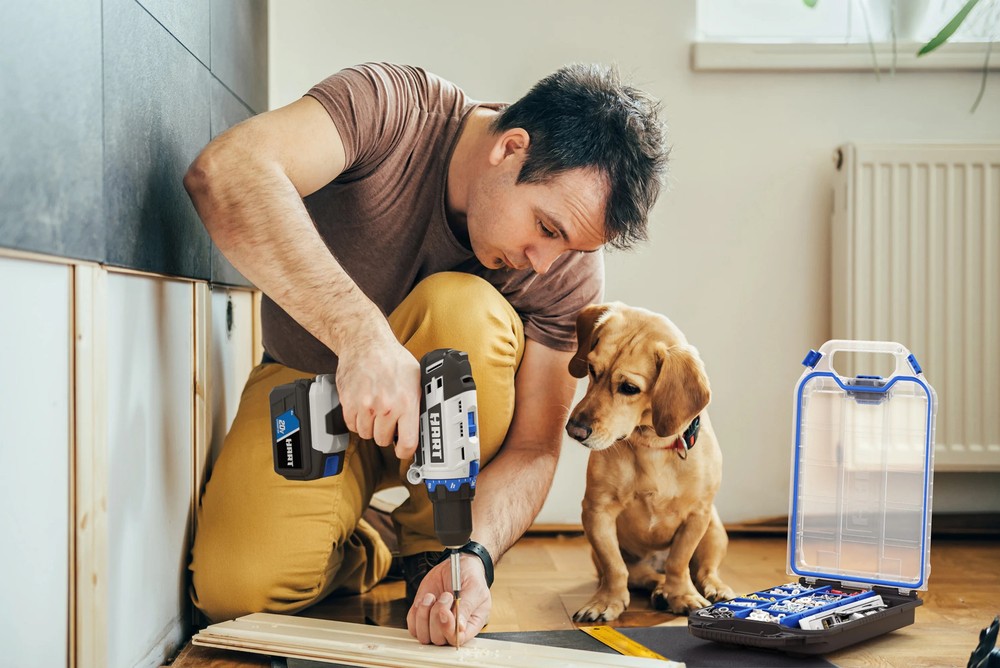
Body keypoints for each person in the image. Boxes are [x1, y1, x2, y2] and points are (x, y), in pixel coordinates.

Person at [183, 61, 667, 647]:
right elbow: (226, 171)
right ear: (511, 148)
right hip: (311, 382)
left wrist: (477, 553)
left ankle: (433, 544)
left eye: (568, 246)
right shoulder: (391, 109)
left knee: (463, 308)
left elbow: (536, 446)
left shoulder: (566, 268)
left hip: (448, 470)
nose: (544, 261)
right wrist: (363, 338)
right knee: (237, 594)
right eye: (545, 226)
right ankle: (374, 541)